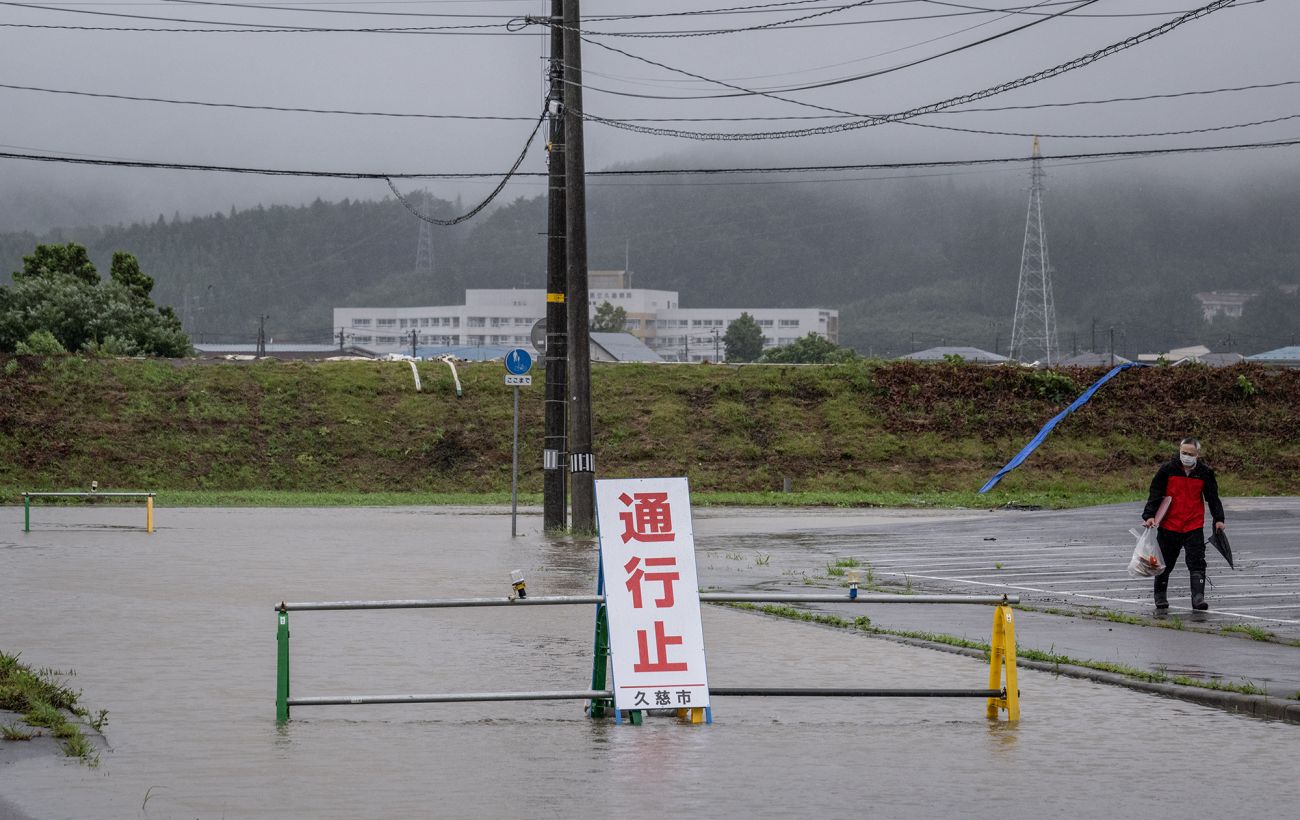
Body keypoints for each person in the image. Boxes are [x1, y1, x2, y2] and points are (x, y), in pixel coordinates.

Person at [1142, 437, 1225, 611]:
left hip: (1193, 525)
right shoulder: (1167, 470)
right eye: (1184, 453)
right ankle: (1160, 596)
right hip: (1169, 525)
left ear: (1197, 455)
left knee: (1197, 562)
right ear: (1179, 451)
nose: (1186, 456)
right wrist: (1149, 515)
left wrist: (1219, 519)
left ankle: (1198, 598)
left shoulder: (1205, 473)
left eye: (1190, 454)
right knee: (1165, 562)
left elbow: (1212, 498)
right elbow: (1155, 493)